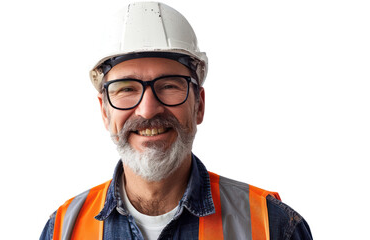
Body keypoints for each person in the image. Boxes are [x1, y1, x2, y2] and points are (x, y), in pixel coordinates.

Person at [40, 2, 312, 239]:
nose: (148, 110)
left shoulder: (274, 226)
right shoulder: (62, 230)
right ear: (104, 111)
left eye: (169, 85)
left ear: (199, 105)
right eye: (126, 88)